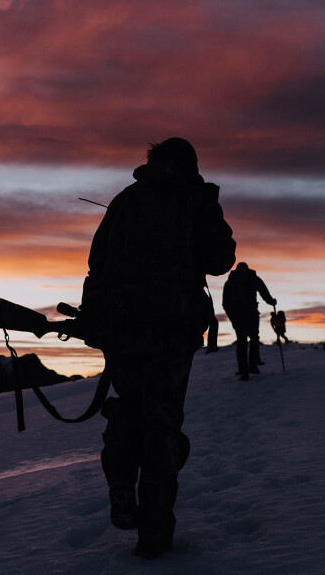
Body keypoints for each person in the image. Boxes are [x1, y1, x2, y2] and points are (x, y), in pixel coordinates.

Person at [79, 138, 235, 558]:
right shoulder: (193, 200)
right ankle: (154, 537)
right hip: (172, 332)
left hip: (123, 332)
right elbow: (221, 259)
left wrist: (100, 315)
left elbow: (97, 263)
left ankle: (121, 474)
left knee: (131, 409)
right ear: (190, 167)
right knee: (163, 424)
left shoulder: (124, 200)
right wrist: (206, 203)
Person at [222, 262, 276, 380]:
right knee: (253, 339)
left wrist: (232, 317)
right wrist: (271, 301)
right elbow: (264, 293)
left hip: (239, 316)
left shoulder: (231, 282)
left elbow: (225, 303)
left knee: (243, 342)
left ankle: (244, 370)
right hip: (250, 314)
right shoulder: (253, 278)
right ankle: (252, 367)